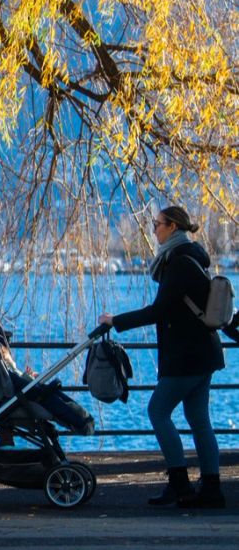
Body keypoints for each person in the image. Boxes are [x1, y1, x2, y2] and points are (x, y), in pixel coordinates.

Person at [98, 206, 225, 508]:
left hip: (186, 355)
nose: (153, 229)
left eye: (156, 224)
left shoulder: (179, 262)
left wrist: (115, 321)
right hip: (202, 352)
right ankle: (211, 489)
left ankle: (179, 484)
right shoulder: (189, 257)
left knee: (158, 411)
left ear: (172, 227)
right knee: (198, 419)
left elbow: (159, 310)